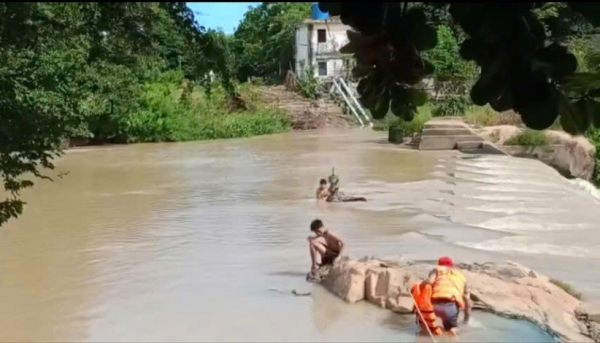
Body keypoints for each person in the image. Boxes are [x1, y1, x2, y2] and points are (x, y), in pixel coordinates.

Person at [426, 256, 471, 336]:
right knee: (452, 328)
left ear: (439, 265)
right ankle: (453, 331)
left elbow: (430, 281)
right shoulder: (461, 277)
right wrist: (466, 319)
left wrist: (421, 284)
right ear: (452, 266)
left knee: (430, 325)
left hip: (434, 305)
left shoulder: (437, 270)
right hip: (451, 307)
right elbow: (467, 300)